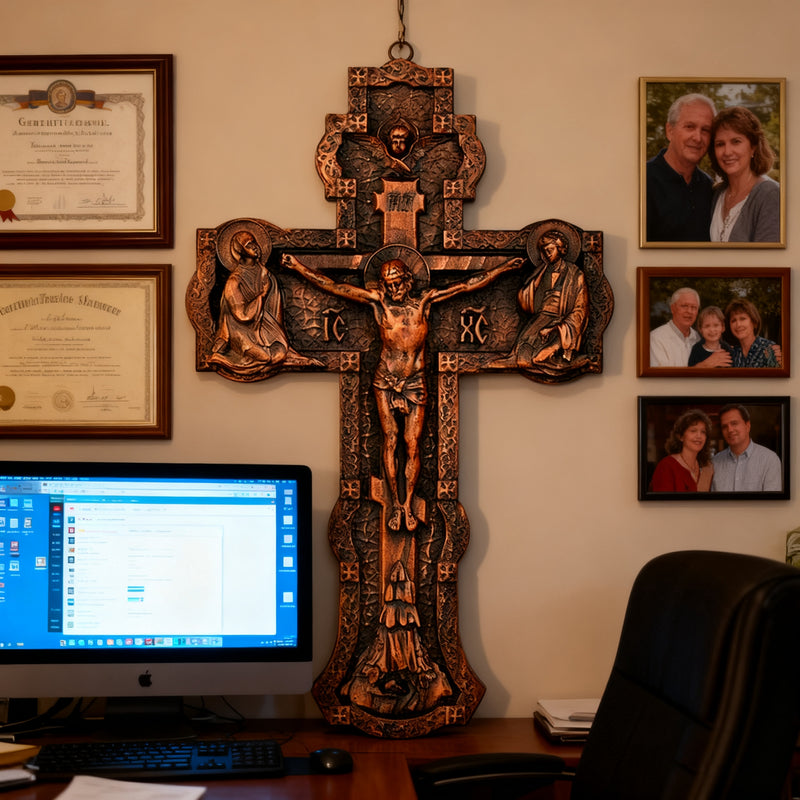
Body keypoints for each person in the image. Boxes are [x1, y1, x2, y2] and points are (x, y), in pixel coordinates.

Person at [282, 250, 523, 532]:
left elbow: (466, 285)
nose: (393, 288)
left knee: (412, 444)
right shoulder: (379, 303)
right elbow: (335, 287)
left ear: (408, 281)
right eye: (388, 284)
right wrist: (297, 267)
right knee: (390, 440)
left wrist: (504, 268)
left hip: (415, 381)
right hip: (385, 380)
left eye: (397, 282)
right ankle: (395, 504)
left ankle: (407, 504)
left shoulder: (424, 302)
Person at [209, 227, 317, 376]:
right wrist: (263, 294)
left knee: (280, 352)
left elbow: (274, 310)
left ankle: (266, 361)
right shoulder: (234, 282)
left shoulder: (266, 275)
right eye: (248, 245)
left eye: (254, 242)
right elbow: (242, 315)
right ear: (240, 250)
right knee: (265, 357)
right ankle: (225, 358)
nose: (255, 247)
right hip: (240, 331)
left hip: (264, 329)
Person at [496, 228, 588, 369]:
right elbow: (526, 299)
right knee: (521, 354)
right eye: (544, 251)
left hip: (561, 321)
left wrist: (557, 328)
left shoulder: (575, 274)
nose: (547, 254)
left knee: (536, 358)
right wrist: (537, 278)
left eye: (550, 250)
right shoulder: (542, 271)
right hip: (541, 318)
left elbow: (580, 309)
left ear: (560, 249)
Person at [646, 93, 716, 242]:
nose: (697, 138)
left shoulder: (709, 187)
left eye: (705, 130)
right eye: (690, 127)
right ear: (670, 131)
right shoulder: (642, 181)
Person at [708, 106, 779, 242]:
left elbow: (770, 254)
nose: (727, 152)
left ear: (753, 147)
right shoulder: (718, 193)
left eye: (736, 142)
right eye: (720, 144)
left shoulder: (770, 195)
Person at [711, 404, 782, 491]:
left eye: (734, 423)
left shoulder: (769, 460)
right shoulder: (715, 463)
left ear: (747, 426)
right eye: (725, 426)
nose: (730, 430)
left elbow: (773, 499)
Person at [650, 409, 714, 492]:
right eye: (693, 431)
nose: (699, 436)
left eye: (703, 432)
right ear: (681, 436)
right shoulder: (666, 466)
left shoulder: (707, 468)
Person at [649, 287, 701, 367]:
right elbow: (660, 374)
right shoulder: (656, 339)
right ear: (672, 308)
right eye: (684, 306)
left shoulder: (698, 338)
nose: (689, 311)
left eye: (694, 307)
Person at [723, 298, 781, 368]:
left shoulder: (769, 349)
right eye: (733, 320)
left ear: (754, 322)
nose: (738, 325)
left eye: (742, 319)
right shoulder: (732, 353)